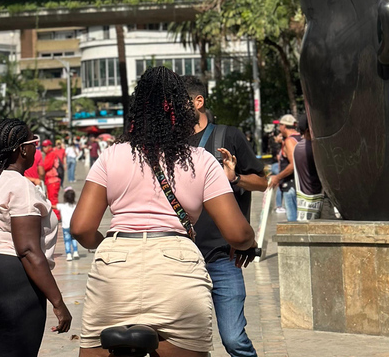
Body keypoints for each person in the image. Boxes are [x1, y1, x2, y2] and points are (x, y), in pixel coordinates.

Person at [72, 67, 256, 357]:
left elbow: (81, 228)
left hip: (115, 267)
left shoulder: (111, 155)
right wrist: (248, 243)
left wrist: (107, 244)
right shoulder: (202, 161)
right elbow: (237, 233)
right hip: (177, 269)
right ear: (182, 112)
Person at [0, 119, 71, 357]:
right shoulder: (21, 186)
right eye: (34, 143)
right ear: (22, 148)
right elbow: (28, 250)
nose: (36, 148)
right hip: (11, 280)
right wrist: (58, 302)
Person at [182, 75, 268, 357]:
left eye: (178, 103)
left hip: (222, 257)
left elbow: (262, 181)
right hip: (182, 258)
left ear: (198, 101)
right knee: (186, 344)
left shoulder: (227, 136)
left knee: (233, 339)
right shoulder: (173, 144)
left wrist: (235, 178)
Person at [293, 113, 326, 221]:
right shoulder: (312, 149)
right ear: (308, 130)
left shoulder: (298, 147)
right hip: (318, 201)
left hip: (304, 202)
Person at [269, 115, 301, 222]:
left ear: (283, 126)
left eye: (280, 125)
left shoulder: (289, 141)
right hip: (300, 184)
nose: (279, 128)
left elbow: (293, 165)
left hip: (290, 185)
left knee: (293, 221)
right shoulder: (300, 138)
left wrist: (278, 177)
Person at [56, 189, 79, 261]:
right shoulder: (75, 206)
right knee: (74, 239)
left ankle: (69, 254)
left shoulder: (62, 206)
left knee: (67, 240)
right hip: (73, 226)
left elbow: (53, 206)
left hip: (65, 226)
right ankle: (75, 252)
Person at [41, 140, 61, 212]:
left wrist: (39, 167)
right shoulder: (49, 154)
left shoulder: (51, 154)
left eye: (45, 146)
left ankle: (57, 217)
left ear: (50, 146)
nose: (44, 148)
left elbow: (46, 166)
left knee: (53, 200)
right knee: (52, 199)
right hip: (50, 180)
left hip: (53, 180)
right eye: (43, 146)